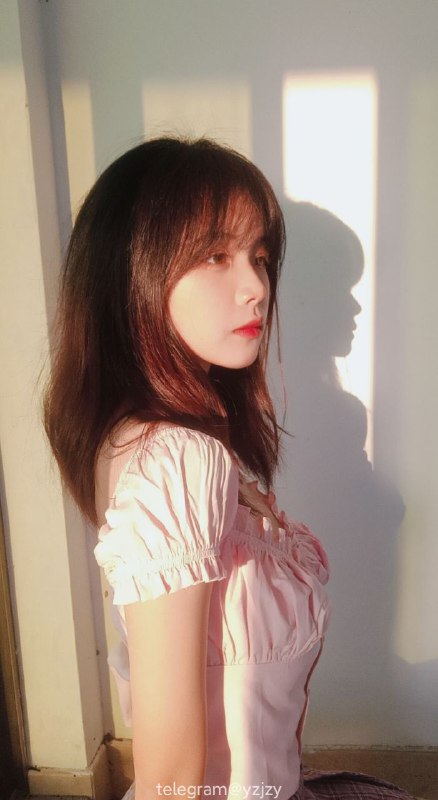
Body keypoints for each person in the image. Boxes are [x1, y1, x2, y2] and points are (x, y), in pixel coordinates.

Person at [43, 137, 414, 800]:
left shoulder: (139, 435)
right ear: (130, 269)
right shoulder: (178, 461)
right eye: (215, 255)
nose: (256, 288)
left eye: (259, 258)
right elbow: (170, 776)